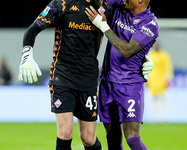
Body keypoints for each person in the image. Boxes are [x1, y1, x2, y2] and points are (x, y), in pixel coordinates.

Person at [18, 0, 153, 149]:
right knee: (66, 131)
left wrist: (143, 57)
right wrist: (27, 54)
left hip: (88, 80)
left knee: (88, 138)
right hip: (63, 76)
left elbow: (134, 19)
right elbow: (32, 30)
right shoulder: (62, 4)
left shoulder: (108, 6)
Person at [85, 0, 159, 149]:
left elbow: (127, 50)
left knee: (132, 138)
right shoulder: (121, 5)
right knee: (112, 136)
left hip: (130, 85)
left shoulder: (150, 23)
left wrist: (104, 27)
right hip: (107, 82)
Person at [147, 42, 174, 122]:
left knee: (163, 99)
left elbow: (168, 67)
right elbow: (147, 68)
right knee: (154, 99)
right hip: (153, 80)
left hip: (162, 80)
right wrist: (146, 79)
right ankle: (156, 117)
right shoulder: (150, 55)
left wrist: (169, 79)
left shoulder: (164, 55)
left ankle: (165, 117)